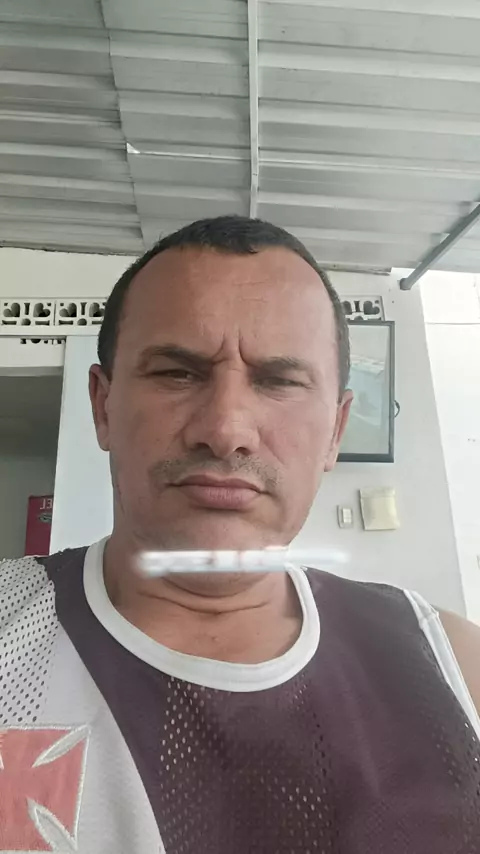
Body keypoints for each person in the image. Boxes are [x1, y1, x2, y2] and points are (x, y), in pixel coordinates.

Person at [1, 216, 479, 853]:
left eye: (279, 380)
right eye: (177, 372)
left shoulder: (457, 671)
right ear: (102, 405)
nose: (226, 430)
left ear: (336, 432)